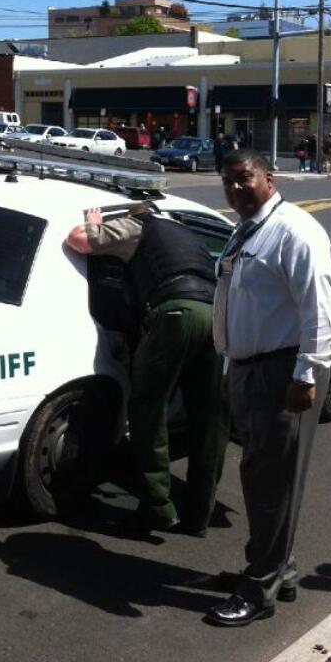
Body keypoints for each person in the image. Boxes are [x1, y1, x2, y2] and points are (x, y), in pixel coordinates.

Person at [206, 148, 331, 628]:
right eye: (227, 181)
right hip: (248, 369)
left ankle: (259, 590)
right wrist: (228, 369)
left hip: (282, 371)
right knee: (260, 478)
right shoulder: (246, 230)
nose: (235, 188)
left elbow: (320, 310)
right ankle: (278, 570)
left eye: (244, 178)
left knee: (273, 484)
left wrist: (306, 376)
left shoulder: (296, 232)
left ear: (268, 175)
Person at [65, 204, 229, 537]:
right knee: (210, 419)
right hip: (216, 319)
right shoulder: (188, 234)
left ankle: (157, 508)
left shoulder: (139, 226)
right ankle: (199, 515)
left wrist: (95, 225)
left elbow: (79, 240)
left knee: (147, 410)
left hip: (175, 314)